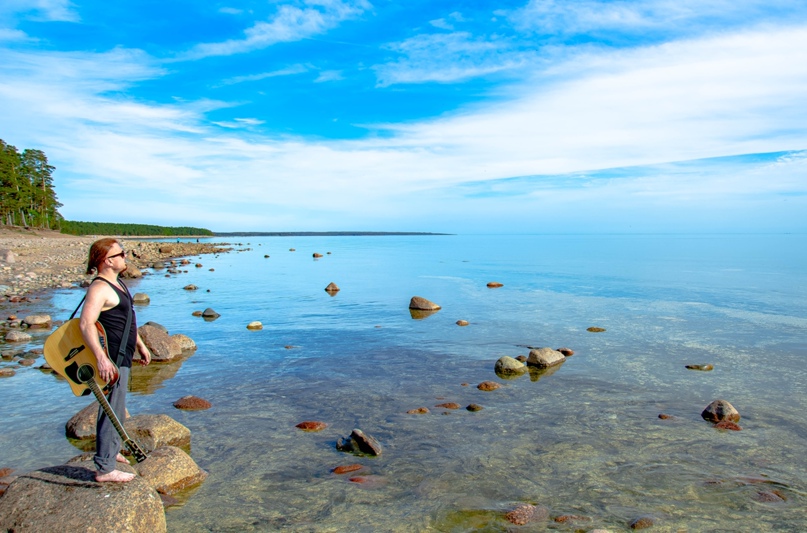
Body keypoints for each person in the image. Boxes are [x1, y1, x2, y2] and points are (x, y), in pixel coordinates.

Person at [79, 238, 152, 483]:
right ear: (107, 260)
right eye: (121, 253)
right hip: (111, 358)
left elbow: (128, 319)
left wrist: (140, 345)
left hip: (123, 355)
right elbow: (86, 324)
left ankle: (111, 450)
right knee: (111, 408)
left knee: (117, 407)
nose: (126, 257)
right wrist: (101, 359)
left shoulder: (118, 283)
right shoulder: (99, 288)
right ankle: (105, 468)